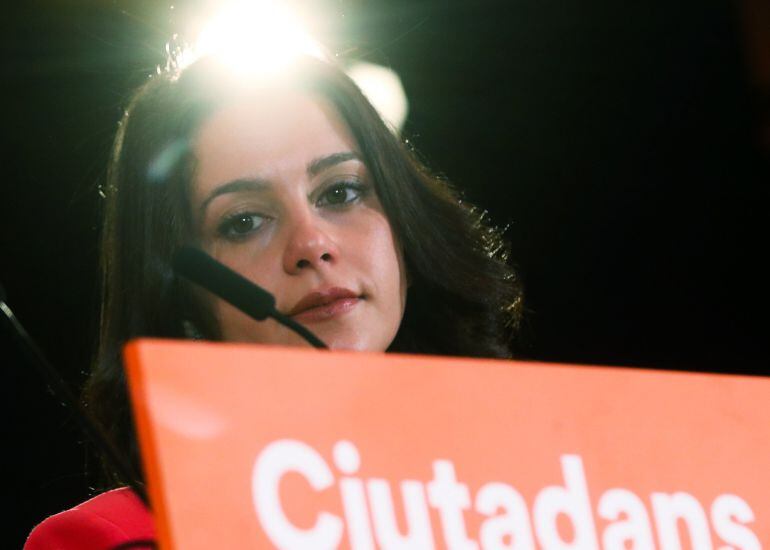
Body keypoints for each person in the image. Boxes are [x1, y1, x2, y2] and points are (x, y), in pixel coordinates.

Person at [25, 51, 523, 549]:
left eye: (341, 192)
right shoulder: (116, 539)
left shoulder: (533, 502)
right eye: (244, 222)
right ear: (181, 297)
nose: (311, 244)